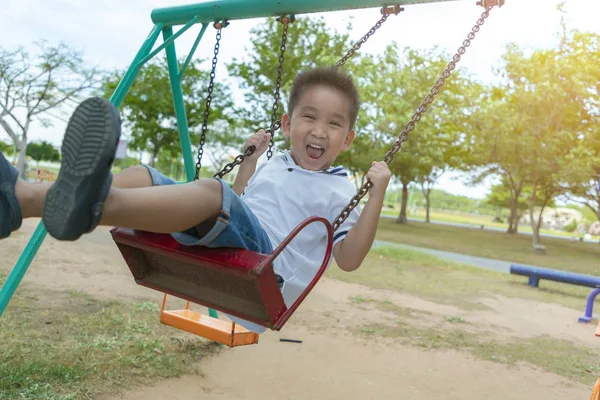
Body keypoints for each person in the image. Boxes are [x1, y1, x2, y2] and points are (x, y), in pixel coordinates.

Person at [0, 66, 391, 333]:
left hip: (268, 269)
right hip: (239, 241)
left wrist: (375, 196)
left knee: (211, 194)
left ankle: (91, 204)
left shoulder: (340, 189)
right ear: (288, 124)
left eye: (334, 123)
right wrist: (249, 164)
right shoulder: (275, 163)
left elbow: (349, 259)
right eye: (309, 117)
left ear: (348, 139)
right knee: (145, 176)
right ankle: (23, 199)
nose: (319, 130)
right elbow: (239, 204)